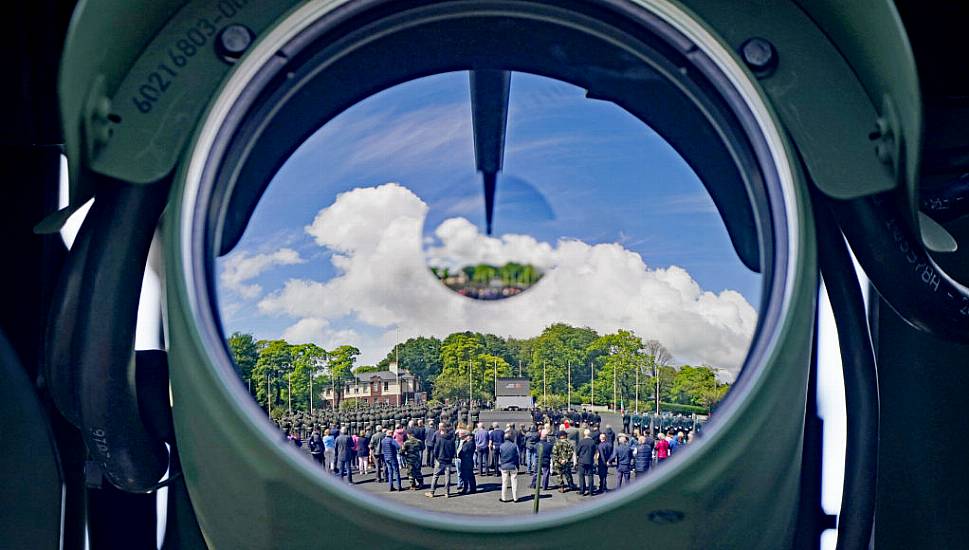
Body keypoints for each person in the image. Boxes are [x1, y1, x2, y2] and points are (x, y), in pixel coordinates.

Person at [426, 424, 456, 498]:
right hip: (448, 460)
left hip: (440, 459)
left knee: (435, 475)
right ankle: (447, 492)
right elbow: (453, 450)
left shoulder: (440, 439)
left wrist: (437, 458)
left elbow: (435, 450)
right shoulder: (451, 439)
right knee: (447, 476)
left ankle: (432, 492)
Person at [498, 431, 521, 502]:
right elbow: (518, 456)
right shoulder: (514, 446)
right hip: (513, 465)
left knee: (504, 482)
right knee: (514, 482)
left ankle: (504, 497)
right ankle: (515, 498)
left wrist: (500, 465)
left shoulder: (501, 446)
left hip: (504, 465)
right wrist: (518, 465)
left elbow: (500, 456)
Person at [576, 429, 598, 496]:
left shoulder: (581, 442)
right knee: (590, 476)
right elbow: (595, 451)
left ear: (584, 434)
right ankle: (591, 491)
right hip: (590, 460)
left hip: (582, 461)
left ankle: (582, 490)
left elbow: (577, 451)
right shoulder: (593, 442)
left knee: (581, 476)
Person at [456, 429, 477, 495]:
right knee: (469, 476)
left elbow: (463, 451)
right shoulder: (467, 443)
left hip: (467, 462)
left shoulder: (469, 443)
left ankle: (468, 489)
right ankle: (470, 488)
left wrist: (460, 454)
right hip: (466, 461)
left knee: (467, 476)